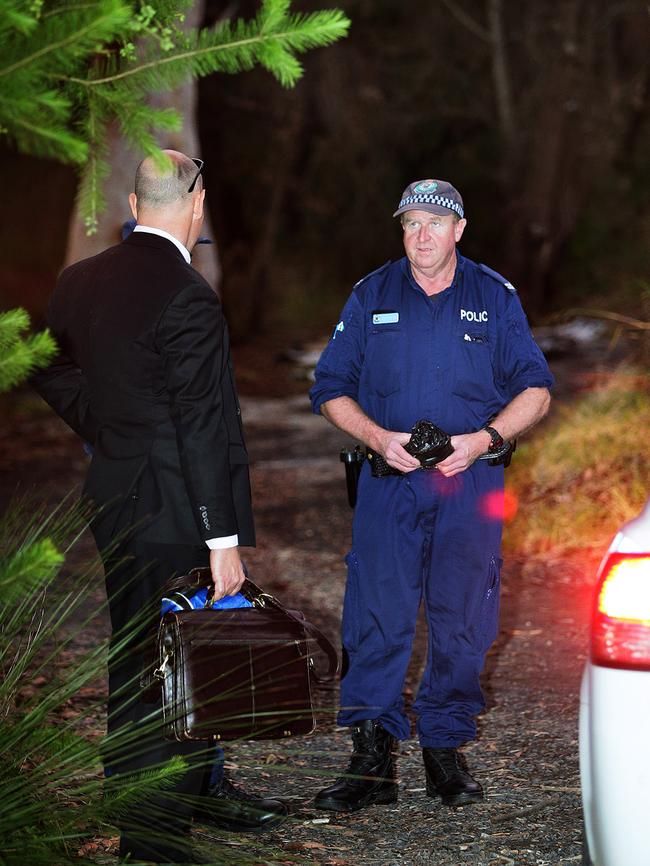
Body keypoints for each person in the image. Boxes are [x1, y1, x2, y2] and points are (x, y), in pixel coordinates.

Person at [32, 150, 288, 862]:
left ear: (137, 201)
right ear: (196, 203)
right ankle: (151, 840)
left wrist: (108, 429)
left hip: (115, 496)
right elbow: (203, 423)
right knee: (161, 671)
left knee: (149, 652)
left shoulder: (79, 280)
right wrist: (222, 537)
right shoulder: (188, 295)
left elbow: (48, 363)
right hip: (174, 512)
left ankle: (195, 791)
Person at [309, 178, 553, 813]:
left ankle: (444, 748)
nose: (421, 234)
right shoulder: (372, 294)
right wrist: (375, 436)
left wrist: (482, 439)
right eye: (411, 223)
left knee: (464, 617)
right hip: (388, 483)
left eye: (434, 223)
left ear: (459, 230)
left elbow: (536, 389)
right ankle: (371, 756)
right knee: (376, 617)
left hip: (470, 484)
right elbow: (330, 384)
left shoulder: (494, 297)